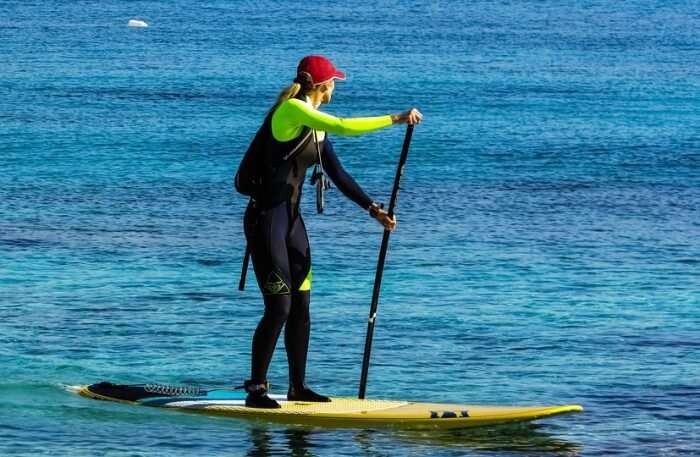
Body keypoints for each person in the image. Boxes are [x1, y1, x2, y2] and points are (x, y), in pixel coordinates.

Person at [242, 55, 422, 408]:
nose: (336, 86)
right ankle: (256, 390)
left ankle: (298, 387)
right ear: (321, 86)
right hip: (265, 221)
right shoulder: (293, 110)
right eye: (334, 81)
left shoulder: (316, 125)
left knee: (302, 306)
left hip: (292, 223)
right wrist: (396, 118)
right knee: (279, 307)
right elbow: (343, 125)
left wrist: (373, 210)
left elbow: (338, 174)